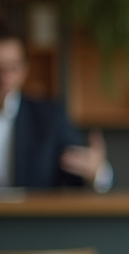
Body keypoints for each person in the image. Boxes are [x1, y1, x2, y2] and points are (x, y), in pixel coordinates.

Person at [0, 20, 111, 190]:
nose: (6, 77)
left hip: (31, 216)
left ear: (25, 68)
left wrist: (99, 172)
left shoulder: (49, 117)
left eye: (13, 67)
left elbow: (78, 176)